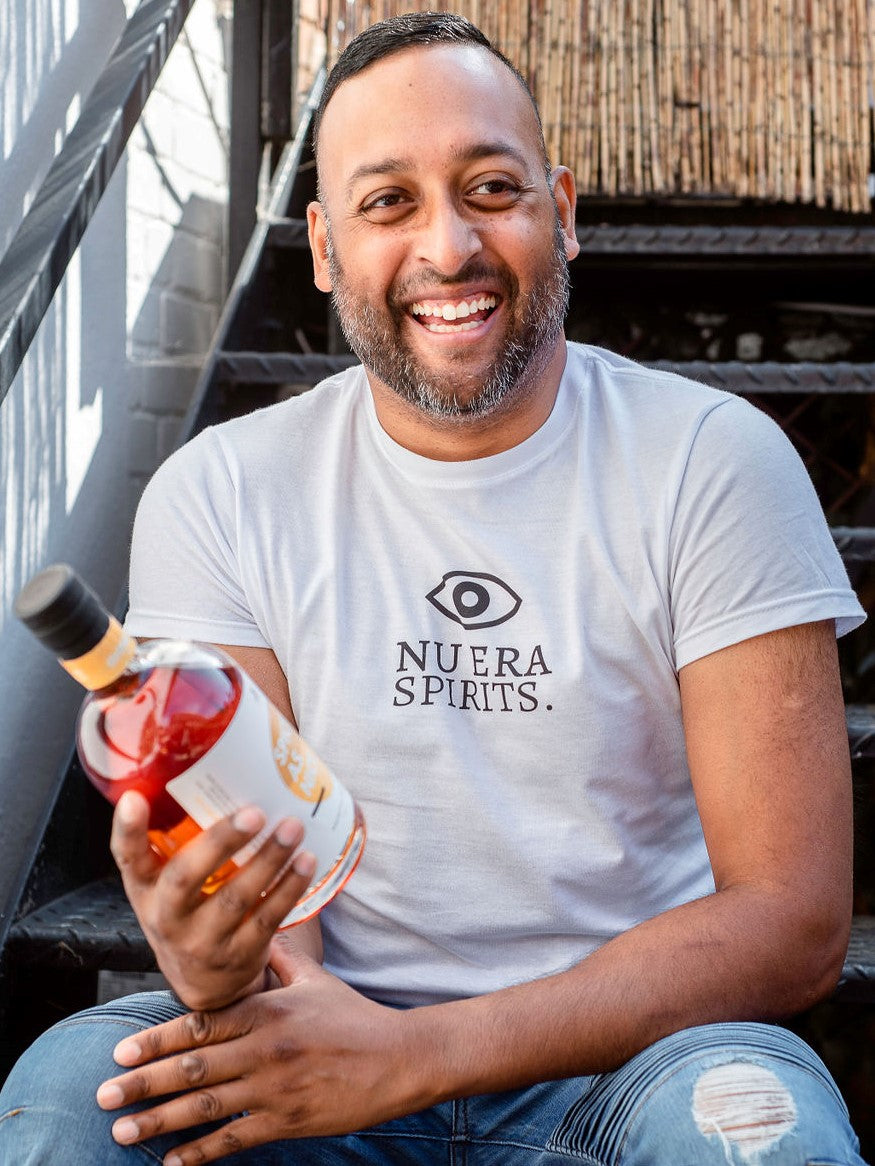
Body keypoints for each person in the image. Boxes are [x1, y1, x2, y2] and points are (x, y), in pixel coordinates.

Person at [0, 11, 869, 1165]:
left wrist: (420, 1053)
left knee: (757, 1134)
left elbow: (791, 918)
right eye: (387, 201)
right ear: (322, 247)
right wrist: (220, 960)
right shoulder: (221, 490)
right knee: (67, 1099)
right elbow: (261, 894)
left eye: (490, 189)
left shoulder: (711, 461)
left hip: (632, 1061)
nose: (448, 245)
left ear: (561, 212)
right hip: (325, 1048)